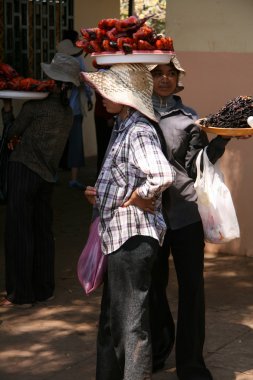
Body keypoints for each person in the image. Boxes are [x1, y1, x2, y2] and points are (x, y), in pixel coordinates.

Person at [81, 63, 176, 380]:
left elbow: (163, 174)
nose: (102, 96)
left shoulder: (137, 130)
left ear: (125, 97)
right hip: (121, 239)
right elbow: (126, 177)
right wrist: (103, 194)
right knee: (113, 324)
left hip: (132, 241)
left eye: (108, 91)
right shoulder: (122, 127)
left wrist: (138, 196)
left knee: (130, 327)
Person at [149, 55, 231, 380]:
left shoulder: (190, 118)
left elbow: (199, 163)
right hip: (149, 215)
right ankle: (158, 347)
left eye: (171, 73)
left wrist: (223, 140)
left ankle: (191, 364)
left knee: (192, 288)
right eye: (158, 73)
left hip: (185, 214)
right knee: (152, 288)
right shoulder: (137, 113)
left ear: (179, 79)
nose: (165, 78)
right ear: (149, 78)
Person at [0, 53, 80, 308]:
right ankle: (44, 289)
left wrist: (7, 111)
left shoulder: (35, 107)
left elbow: (13, 131)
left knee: (19, 231)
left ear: (53, 81)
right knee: (42, 232)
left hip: (23, 170)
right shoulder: (67, 113)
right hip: (47, 176)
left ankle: (21, 294)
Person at [57, 36, 93, 190]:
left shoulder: (60, 63)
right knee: (71, 144)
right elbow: (86, 84)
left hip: (67, 110)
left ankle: (66, 177)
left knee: (64, 144)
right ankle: (72, 178)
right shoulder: (72, 63)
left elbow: (85, 83)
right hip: (69, 110)